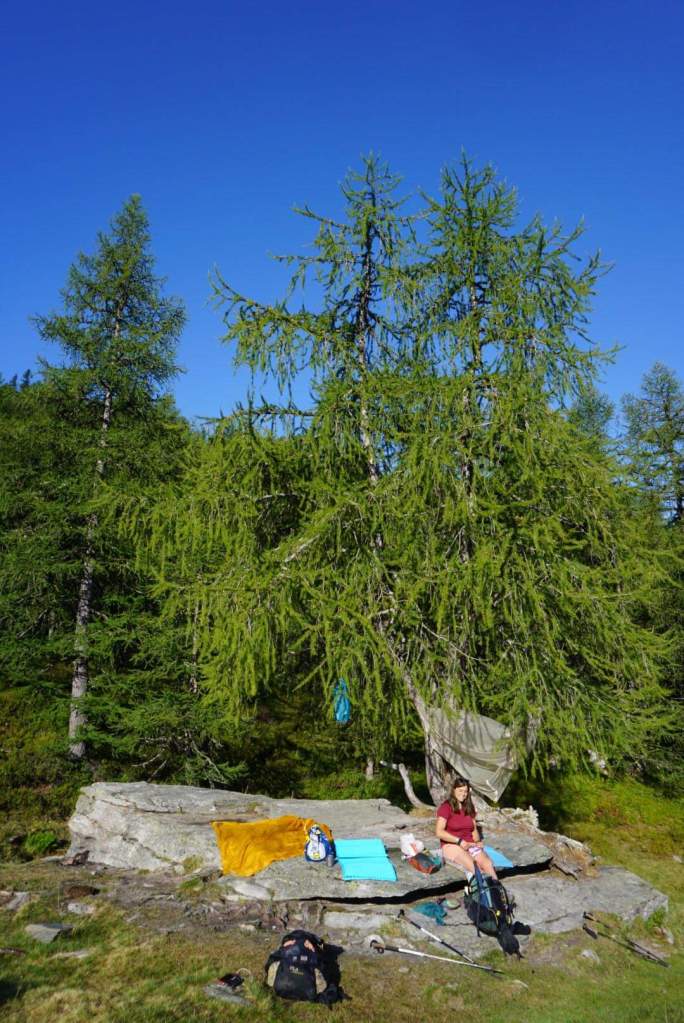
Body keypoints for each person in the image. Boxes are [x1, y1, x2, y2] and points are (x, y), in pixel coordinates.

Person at [435, 776, 498, 878]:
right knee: (476, 868)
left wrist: (478, 842)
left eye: (465, 791)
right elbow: (439, 832)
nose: (463, 794)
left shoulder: (469, 807)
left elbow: (473, 829)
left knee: (488, 864)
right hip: (452, 845)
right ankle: (484, 887)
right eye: (460, 790)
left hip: (470, 845)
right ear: (454, 790)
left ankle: (496, 886)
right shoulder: (446, 807)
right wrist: (459, 841)